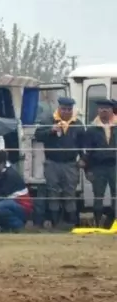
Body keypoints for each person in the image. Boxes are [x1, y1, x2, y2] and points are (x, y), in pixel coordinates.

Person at [33, 97, 87, 229]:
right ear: (59, 108)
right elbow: (37, 135)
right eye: (64, 109)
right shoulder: (48, 121)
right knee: (53, 193)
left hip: (70, 164)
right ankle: (55, 223)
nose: (66, 112)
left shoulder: (78, 124)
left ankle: (71, 223)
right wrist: (50, 130)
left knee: (70, 193)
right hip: (52, 163)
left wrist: (83, 159)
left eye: (69, 109)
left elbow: (84, 145)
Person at [83, 99, 117, 228]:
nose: (104, 110)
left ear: (111, 110)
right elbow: (87, 151)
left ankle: (114, 222)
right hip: (98, 167)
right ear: (98, 110)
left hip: (115, 166)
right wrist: (88, 170)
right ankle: (97, 223)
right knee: (98, 195)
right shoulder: (91, 129)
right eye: (101, 108)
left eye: (107, 108)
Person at [0, 150, 31, 232]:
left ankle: (18, 225)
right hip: (12, 204)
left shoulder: (10, 175)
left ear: (2, 164)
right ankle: (1, 227)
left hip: (22, 206)